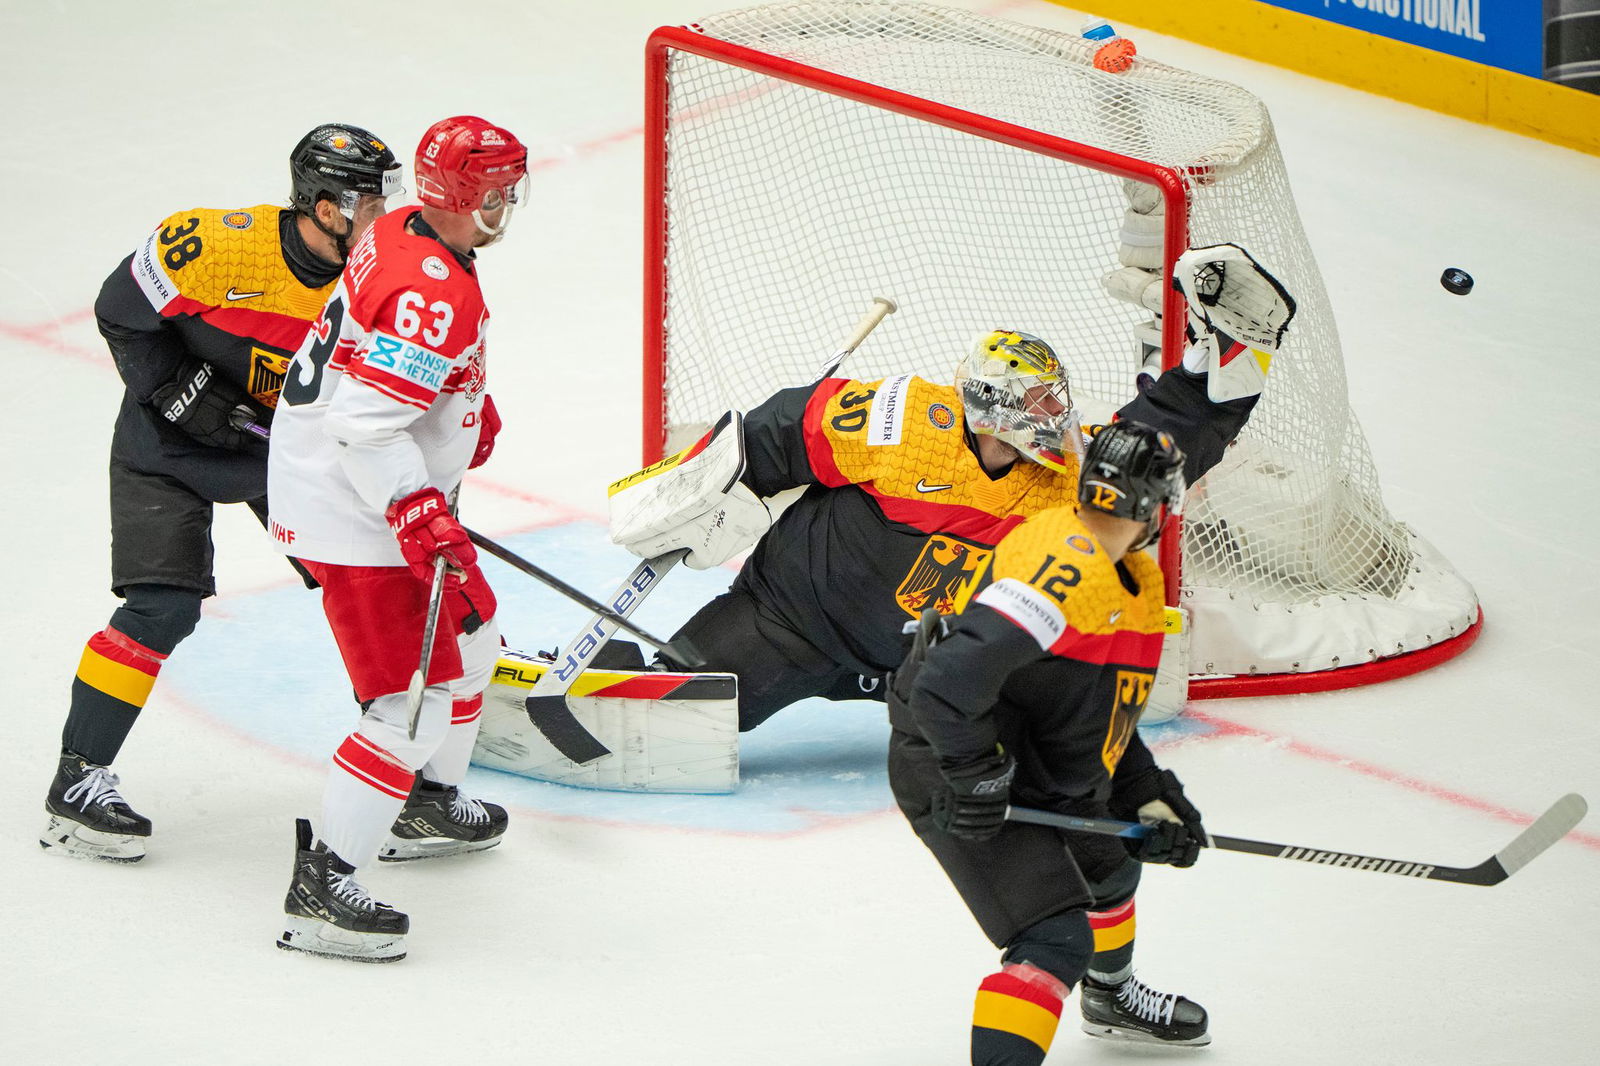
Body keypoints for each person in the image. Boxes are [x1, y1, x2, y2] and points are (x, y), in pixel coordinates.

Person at [41, 125, 401, 863]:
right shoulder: (214, 247)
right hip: (167, 447)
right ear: (325, 208)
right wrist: (174, 389)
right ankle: (77, 782)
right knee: (161, 608)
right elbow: (119, 310)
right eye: (370, 204)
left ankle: (406, 770)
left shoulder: (378, 281)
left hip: (283, 456)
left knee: (364, 589)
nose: (383, 219)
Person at [265, 115, 528, 963]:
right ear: (463, 195)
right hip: (356, 514)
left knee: (474, 640)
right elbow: (366, 425)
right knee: (408, 705)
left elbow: (372, 356)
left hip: (360, 488)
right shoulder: (433, 290)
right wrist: (417, 510)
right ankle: (324, 886)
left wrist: (462, 399)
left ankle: (424, 804)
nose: (508, 203)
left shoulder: (404, 229)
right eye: (497, 190)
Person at [887, 420, 1210, 1062]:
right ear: (1155, 506)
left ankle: (1110, 998)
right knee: (1055, 941)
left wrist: (1144, 792)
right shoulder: (1062, 569)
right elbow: (947, 684)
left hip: (1022, 752)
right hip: (952, 759)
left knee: (1110, 869)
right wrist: (976, 776)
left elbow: (1096, 711)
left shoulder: (1129, 578)